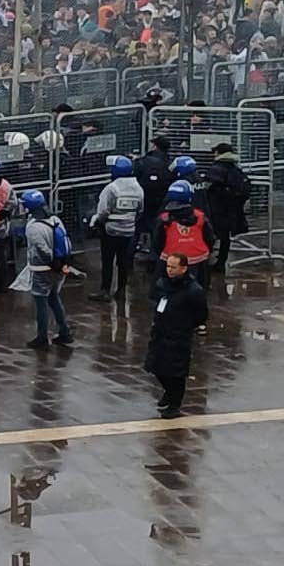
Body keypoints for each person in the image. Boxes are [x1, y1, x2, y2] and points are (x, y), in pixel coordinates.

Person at [144, 252, 208, 418]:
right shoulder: (162, 283)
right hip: (160, 331)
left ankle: (174, 403)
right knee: (155, 366)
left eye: (173, 267)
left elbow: (201, 314)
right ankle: (168, 392)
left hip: (179, 335)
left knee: (176, 372)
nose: (169, 270)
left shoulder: (193, 290)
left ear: (184, 268)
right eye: (168, 266)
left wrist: (186, 326)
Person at [20, 190, 74, 349]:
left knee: (40, 302)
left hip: (42, 268)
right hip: (58, 267)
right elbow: (65, 240)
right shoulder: (55, 219)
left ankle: (42, 337)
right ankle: (64, 332)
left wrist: (53, 264)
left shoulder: (33, 227)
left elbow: (42, 249)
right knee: (54, 298)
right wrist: (63, 264)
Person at [89, 156, 143, 302]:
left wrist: (99, 222)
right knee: (123, 261)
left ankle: (105, 290)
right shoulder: (138, 188)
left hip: (111, 230)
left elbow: (103, 211)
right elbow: (140, 210)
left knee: (107, 261)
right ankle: (121, 290)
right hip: (128, 230)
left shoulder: (112, 188)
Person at [200, 143, 251, 285]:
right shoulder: (236, 169)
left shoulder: (216, 169)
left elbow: (209, 188)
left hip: (217, 209)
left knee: (210, 235)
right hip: (233, 210)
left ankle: (204, 262)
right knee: (225, 237)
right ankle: (221, 262)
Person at [154, 180, 215, 290]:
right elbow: (210, 238)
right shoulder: (201, 216)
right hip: (198, 262)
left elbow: (157, 243)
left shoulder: (164, 219)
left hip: (170, 261)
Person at [135, 135, 175, 262]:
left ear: (155, 146)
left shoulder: (143, 161)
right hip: (160, 201)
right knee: (156, 229)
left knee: (136, 229)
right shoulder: (170, 164)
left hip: (142, 199)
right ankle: (155, 259)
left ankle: (128, 259)